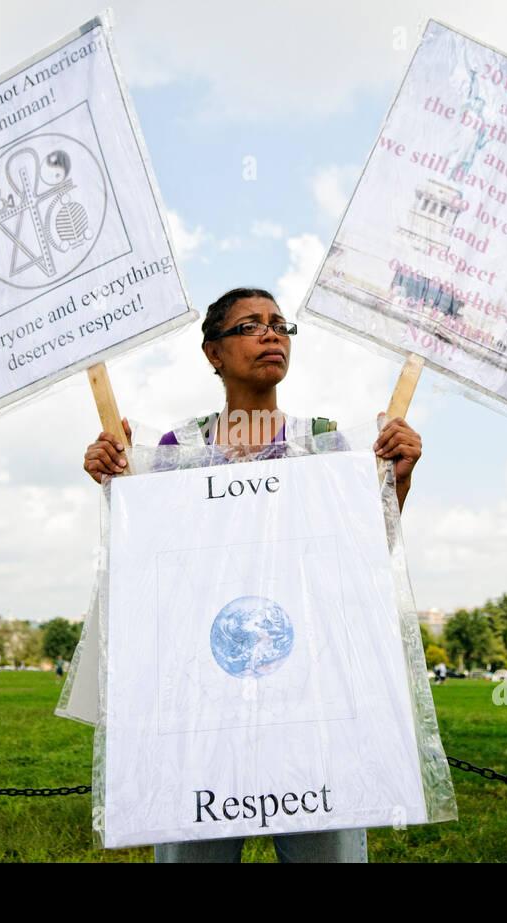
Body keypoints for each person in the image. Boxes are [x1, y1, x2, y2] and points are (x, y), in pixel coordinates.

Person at [83, 287, 424, 863]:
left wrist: (399, 479)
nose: (272, 334)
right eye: (249, 326)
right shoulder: (177, 448)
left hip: (310, 691)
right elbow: (157, 570)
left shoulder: (322, 442)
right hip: (202, 696)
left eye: (280, 324)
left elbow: (360, 556)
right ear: (212, 353)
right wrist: (116, 478)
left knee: (327, 845)